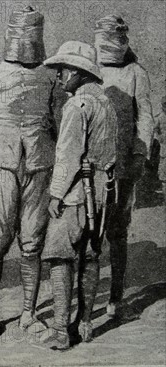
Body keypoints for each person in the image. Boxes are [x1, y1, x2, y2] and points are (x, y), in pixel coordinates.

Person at [0, 6, 64, 340]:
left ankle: (28, 313)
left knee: (33, 244)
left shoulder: (51, 77)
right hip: (0, 169)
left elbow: (61, 124)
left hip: (40, 168)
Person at [32, 40, 117, 350]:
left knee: (59, 256)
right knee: (91, 254)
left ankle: (59, 331)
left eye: (64, 70)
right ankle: (85, 323)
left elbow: (68, 155)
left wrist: (55, 195)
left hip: (77, 192)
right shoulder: (106, 104)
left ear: (80, 73)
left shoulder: (77, 106)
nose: (59, 76)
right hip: (102, 189)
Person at [94, 15, 155, 319]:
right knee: (88, 230)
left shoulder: (135, 73)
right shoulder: (89, 70)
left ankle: (115, 298)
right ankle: (85, 300)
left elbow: (145, 116)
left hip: (123, 163)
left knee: (118, 232)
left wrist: (139, 155)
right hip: (91, 166)